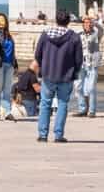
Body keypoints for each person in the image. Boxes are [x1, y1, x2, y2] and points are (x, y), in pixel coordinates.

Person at [32, 11, 82, 143]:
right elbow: (78, 59)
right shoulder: (74, 37)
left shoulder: (45, 34)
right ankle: (58, 135)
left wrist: (43, 66)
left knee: (45, 104)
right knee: (63, 103)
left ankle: (43, 135)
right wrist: (75, 72)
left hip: (48, 75)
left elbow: (37, 55)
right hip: (66, 76)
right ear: (68, 21)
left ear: (56, 20)